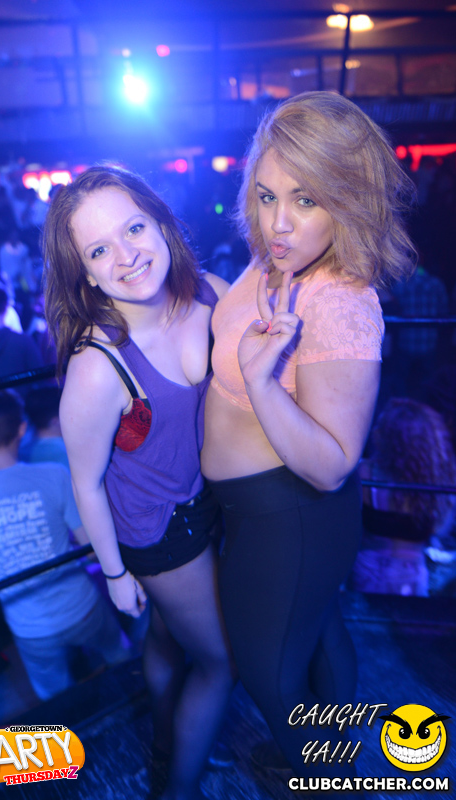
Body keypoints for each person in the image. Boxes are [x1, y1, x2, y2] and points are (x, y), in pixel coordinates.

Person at [201, 91, 416, 781]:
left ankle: (330, 785)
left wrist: (260, 383)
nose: (278, 223)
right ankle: (336, 757)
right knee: (319, 640)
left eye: (305, 199)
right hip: (262, 512)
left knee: (268, 673)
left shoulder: (341, 300)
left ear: (349, 201)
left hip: (292, 516)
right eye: (266, 196)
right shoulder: (279, 259)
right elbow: (235, 315)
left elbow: (331, 464)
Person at [43, 165, 234, 800]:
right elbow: (86, 482)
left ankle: (163, 744)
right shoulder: (98, 366)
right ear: (86, 276)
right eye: (99, 251)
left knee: (170, 638)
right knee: (221, 661)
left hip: (208, 500)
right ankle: (174, 788)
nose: (126, 256)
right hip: (156, 531)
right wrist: (117, 575)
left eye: (133, 229)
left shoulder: (208, 291)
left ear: (160, 222)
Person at [0, 390, 129, 702]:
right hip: (82, 607)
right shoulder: (54, 475)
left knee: (56, 698)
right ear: (22, 429)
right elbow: (91, 549)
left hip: (28, 626)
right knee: (121, 658)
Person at [352, 398, 456, 597]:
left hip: (371, 572)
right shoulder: (438, 481)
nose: (374, 431)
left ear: (389, 437)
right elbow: (441, 529)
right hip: (409, 574)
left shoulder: (364, 472)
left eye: (380, 426)